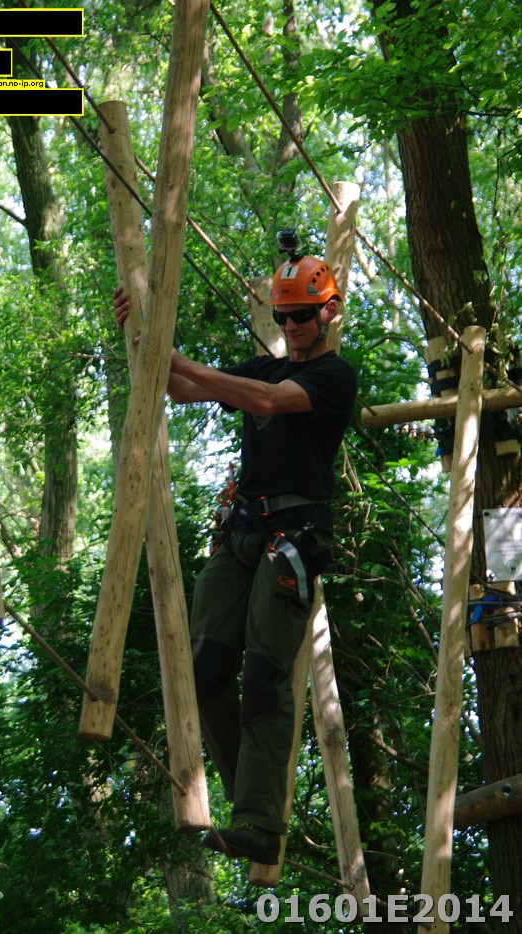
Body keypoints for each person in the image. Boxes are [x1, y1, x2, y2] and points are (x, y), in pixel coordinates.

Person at [113, 245, 357, 865]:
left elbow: (268, 402)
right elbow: (176, 388)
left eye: (301, 316)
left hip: (293, 537)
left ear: (328, 312)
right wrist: (138, 334)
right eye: (282, 317)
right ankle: (246, 807)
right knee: (201, 670)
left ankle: (260, 823)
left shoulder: (334, 378)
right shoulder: (262, 369)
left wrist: (180, 358)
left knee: (263, 675)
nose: (291, 327)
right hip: (243, 530)